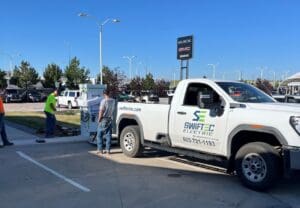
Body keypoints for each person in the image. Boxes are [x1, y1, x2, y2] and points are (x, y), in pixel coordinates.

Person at [96, 89, 115, 154]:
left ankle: (100, 149)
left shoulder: (103, 101)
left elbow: (101, 111)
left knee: (99, 135)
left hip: (103, 119)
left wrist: (99, 119)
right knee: (108, 135)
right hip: (110, 119)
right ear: (109, 93)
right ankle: (108, 150)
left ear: (104, 94)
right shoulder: (113, 101)